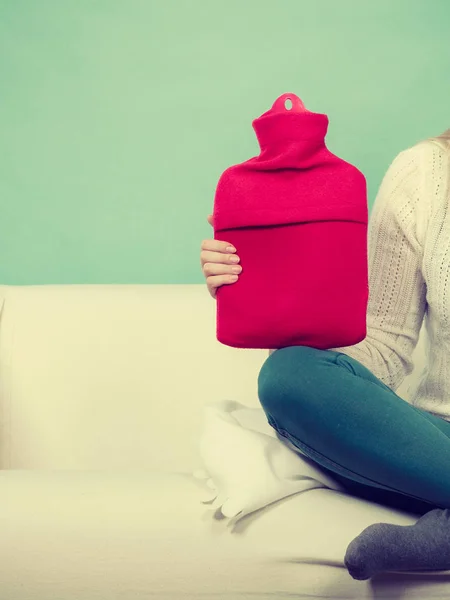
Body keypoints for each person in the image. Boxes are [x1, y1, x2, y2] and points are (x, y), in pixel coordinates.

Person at [200, 130, 450, 581]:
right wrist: (262, 290)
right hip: (435, 447)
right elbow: (384, 347)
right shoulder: (425, 173)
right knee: (290, 375)